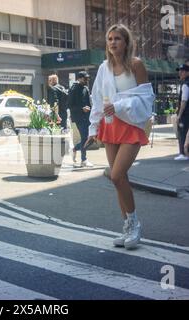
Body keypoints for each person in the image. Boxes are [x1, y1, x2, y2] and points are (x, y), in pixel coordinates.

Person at [85, 24, 154, 249]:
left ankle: (135, 225)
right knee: (119, 180)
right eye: (110, 39)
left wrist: (119, 104)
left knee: (116, 175)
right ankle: (127, 227)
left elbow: (146, 99)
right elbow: (97, 98)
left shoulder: (136, 65)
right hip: (110, 126)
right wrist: (93, 130)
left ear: (126, 42)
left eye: (118, 39)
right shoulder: (104, 67)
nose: (113, 42)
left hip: (131, 125)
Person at [68, 71, 94, 167]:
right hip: (78, 117)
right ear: (79, 79)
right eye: (84, 78)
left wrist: (91, 112)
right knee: (85, 138)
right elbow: (69, 105)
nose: (87, 80)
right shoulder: (73, 89)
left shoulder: (86, 88)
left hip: (87, 117)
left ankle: (75, 149)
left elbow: (89, 103)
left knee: (90, 139)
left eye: (87, 78)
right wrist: (81, 108)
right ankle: (84, 160)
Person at [174, 64, 189, 160]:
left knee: (182, 133)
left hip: (185, 114)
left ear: (188, 72)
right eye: (179, 70)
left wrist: (179, 115)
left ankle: (182, 154)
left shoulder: (185, 84)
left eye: (183, 71)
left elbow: (184, 100)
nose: (180, 72)